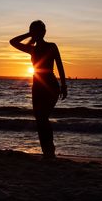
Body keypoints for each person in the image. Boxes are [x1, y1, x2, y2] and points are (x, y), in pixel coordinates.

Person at [10, 20, 67, 158]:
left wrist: (64, 85)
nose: (36, 33)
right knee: (39, 119)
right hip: (37, 86)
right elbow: (13, 41)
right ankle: (47, 151)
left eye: (37, 30)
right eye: (33, 31)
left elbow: (60, 65)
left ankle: (50, 150)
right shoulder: (32, 49)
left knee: (43, 118)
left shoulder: (52, 46)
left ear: (44, 32)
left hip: (51, 85)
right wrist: (29, 34)